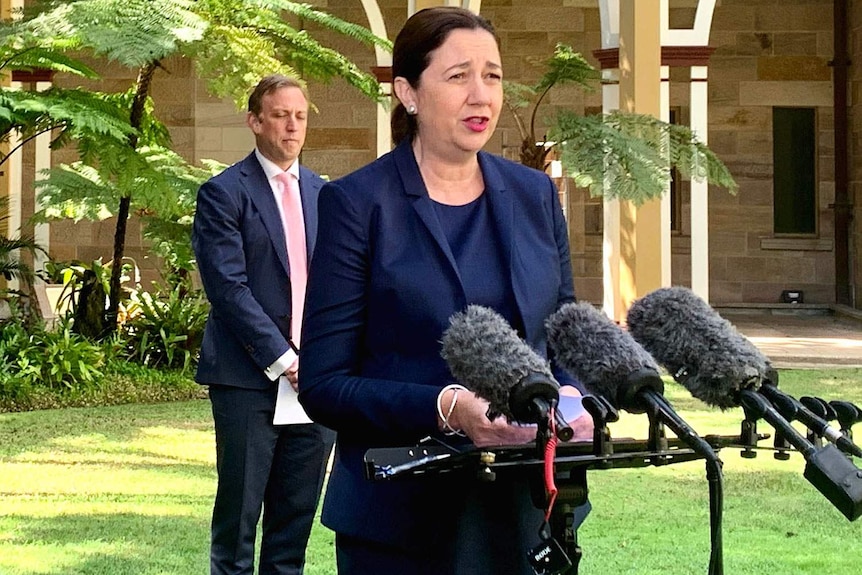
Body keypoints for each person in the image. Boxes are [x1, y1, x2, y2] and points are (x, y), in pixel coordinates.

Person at [297, 7, 593, 575]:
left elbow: (563, 333)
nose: (481, 95)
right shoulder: (357, 204)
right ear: (408, 92)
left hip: (530, 508)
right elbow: (325, 383)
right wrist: (446, 407)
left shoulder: (534, 195)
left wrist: (578, 404)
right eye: (458, 76)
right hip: (404, 518)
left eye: (493, 75)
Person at [192, 74, 334, 575]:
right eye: (279, 115)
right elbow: (229, 290)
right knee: (237, 525)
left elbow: (340, 289)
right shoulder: (223, 194)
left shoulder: (327, 195)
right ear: (254, 121)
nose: (292, 126)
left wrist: (323, 360)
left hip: (317, 384)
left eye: (299, 115)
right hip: (248, 381)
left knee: (292, 528)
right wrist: (285, 360)